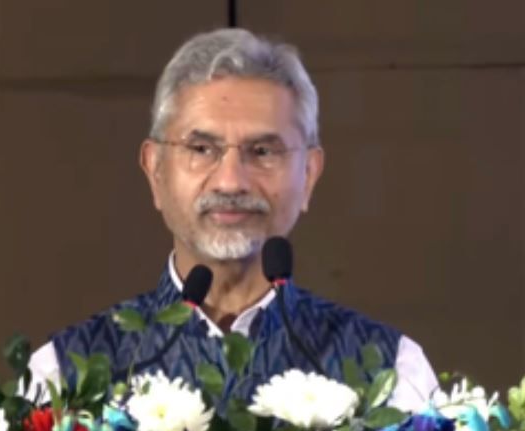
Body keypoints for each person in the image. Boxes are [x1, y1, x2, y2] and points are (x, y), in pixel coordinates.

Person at [25, 28, 438, 411]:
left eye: (263, 152)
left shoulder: (391, 374)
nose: (230, 181)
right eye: (202, 149)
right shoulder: (66, 375)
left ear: (309, 175)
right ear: (155, 171)